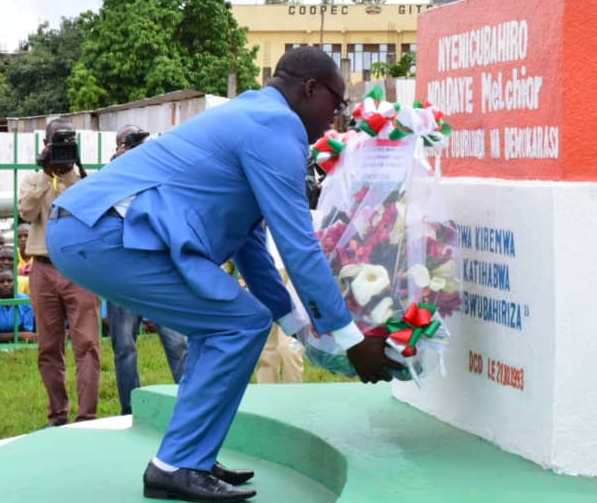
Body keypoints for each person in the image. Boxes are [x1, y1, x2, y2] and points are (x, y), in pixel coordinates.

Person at [46, 47, 400, 502]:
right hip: (100, 231)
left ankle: (189, 455)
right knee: (239, 322)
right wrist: (351, 340)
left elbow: (249, 246)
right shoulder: (277, 127)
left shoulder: (252, 115)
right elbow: (298, 246)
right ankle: (175, 465)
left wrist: (301, 330)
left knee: (225, 325)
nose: (334, 119)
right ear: (309, 89)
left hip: (88, 227)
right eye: (335, 104)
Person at [19, 118, 100, 427]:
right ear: (45, 147)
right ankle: (57, 416)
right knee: (48, 347)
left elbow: (90, 210)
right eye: (57, 147)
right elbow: (26, 212)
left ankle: (87, 418)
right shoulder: (33, 180)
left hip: (78, 269)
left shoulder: (84, 180)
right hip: (43, 268)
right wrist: (46, 174)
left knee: (88, 345)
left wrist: (69, 174)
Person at [108, 124, 188, 415]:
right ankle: (130, 410)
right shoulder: (110, 176)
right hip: (123, 273)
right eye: (131, 145)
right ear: (118, 147)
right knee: (125, 347)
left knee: (177, 340)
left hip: (158, 269)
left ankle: (188, 404)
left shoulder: (158, 171)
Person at [0, 269, 36, 342]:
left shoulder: (25, 300)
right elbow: (24, 335)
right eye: (1, 282)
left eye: (9, 281)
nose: (6, 284)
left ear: (16, 283)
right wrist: (19, 335)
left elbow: (28, 332)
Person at [17, 223, 33, 294]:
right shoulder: (12, 254)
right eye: (19, 236)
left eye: (26, 236)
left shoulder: (39, 254)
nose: (23, 239)